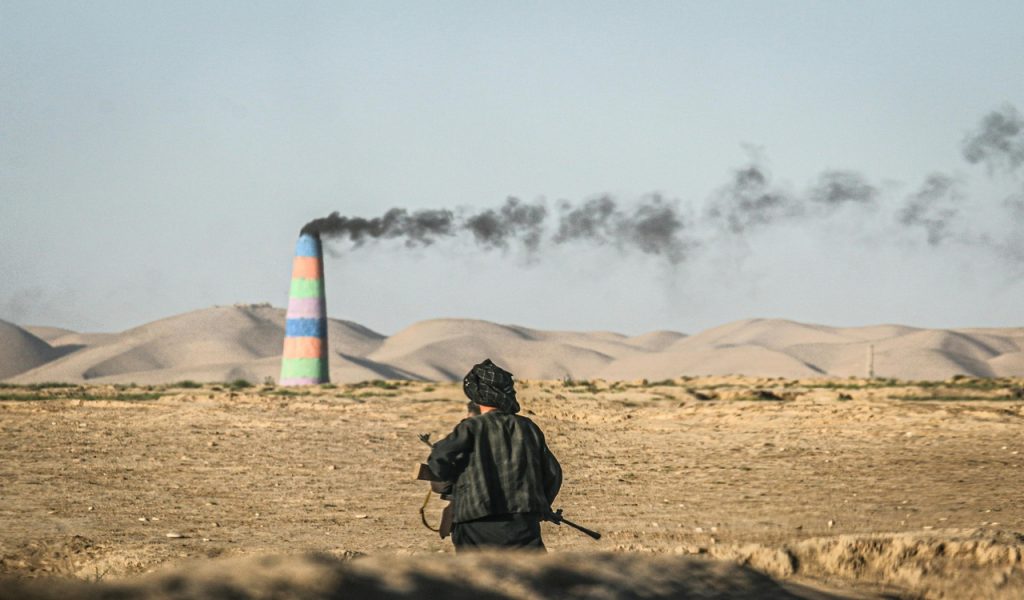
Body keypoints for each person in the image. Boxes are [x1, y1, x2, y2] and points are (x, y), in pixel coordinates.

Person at [427, 359, 562, 551]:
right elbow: (553, 473)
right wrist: (540, 506)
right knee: (531, 570)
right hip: (523, 524)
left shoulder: (470, 427)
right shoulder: (528, 427)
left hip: (475, 524)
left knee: (477, 571)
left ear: (476, 395)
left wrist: (456, 482)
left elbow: (438, 463)